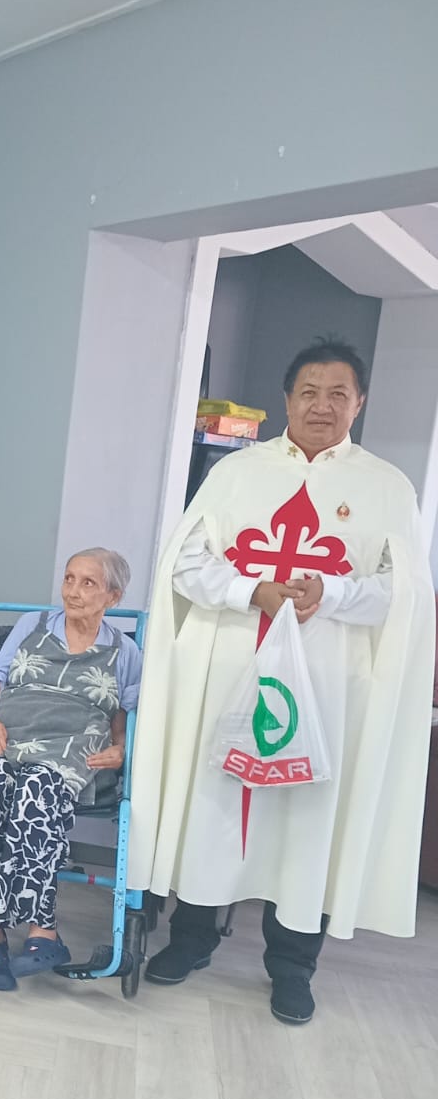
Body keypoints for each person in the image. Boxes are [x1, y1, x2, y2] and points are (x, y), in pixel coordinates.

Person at [130, 338, 435, 1025]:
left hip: (326, 683)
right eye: (309, 392)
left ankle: (293, 967)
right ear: (288, 398)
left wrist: (333, 592)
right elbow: (185, 565)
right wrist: (252, 589)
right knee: (216, 807)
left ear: (359, 402)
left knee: (305, 821)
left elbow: (405, 594)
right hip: (229, 668)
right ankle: (191, 939)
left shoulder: (387, 487)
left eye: (337, 394)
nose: (321, 406)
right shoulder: (237, 473)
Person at [0, 548, 141, 990]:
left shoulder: (124, 650)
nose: (73, 591)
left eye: (88, 583)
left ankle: (42, 931)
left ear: (112, 596)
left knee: (37, 790)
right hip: (9, 727)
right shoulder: (33, 624)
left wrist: (121, 748)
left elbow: (123, 712)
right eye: (69, 578)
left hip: (71, 740)